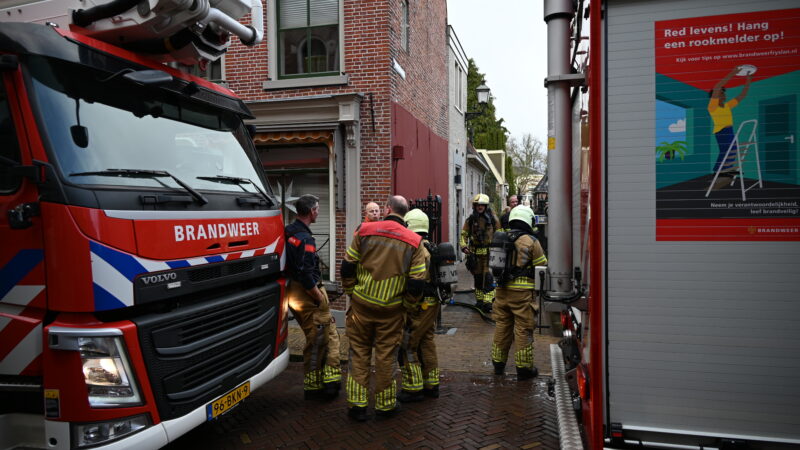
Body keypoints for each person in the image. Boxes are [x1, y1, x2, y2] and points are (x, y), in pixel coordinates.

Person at [341, 195, 427, 421]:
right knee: (386, 357)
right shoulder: (414, 241)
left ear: (387, 209)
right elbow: (417, 283)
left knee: (358, 354)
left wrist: (351, 293)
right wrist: (406, 307)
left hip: (361, 306)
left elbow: (348, 265)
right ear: (405, 213)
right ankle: (385, 405)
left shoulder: (364, 230)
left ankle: (357, 406)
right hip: (391, 310)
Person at [284, 194, 342, 400]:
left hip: (292, 292)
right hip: (307, 293)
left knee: (317, 335)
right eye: (317, 209)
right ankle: (324, 384)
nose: (318, 212)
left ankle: (319, 382)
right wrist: (318, 297)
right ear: (311, 212)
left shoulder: (288, 231)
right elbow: (306, 273)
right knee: (323, 337)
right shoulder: (306, 239)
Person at [491, 205, 548, 380]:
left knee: (502, 326)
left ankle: (498, 364)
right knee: (523, 329)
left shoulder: (502, 238)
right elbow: (542, 264)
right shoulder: (531, 241)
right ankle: (524, 369)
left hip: (501, 291)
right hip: (522, 294)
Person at [398, 208, 440, 403]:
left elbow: (417, 282)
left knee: (408, 343)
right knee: (426, 341)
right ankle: (431, 384)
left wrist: (408, 305)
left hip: (420, 304)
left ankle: (413, 388)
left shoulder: (416, 249)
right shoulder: (429, 246)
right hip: (432, 304)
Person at [709, 65, 752, 190]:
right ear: (715, 96)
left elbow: (742, 95)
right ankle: (717, 171)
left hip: (730, 130)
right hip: (721, 131)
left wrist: (748, 79)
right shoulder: (712, 106)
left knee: (733, 151)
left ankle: (726, 170)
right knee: (725, 151)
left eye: (724, 93)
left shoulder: (727, 105)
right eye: (721, 94)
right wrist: (733, 72)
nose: (724, 95)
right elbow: (717, 87)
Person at [460, 193, 500, 313]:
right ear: (475, 206)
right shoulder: (471, 220)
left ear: (486, 206)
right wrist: (463, 246)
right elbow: (464, 234)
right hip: (475, 253)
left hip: (490, 253)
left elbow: (500, 234)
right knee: (477, 278)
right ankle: (480, 301)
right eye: (478, 205)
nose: (480, 207)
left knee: (488, 277)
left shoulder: (493, 220)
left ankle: (488, 302)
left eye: (482, 205)